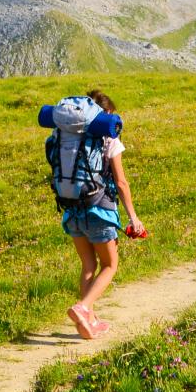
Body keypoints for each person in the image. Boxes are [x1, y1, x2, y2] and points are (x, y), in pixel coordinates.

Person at [61, 90, 146, 340]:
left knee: (88, 265)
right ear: (105, 114)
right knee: (110, 265)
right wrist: (133, 217)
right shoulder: (108, 140)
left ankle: (87, 323)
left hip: (72, 211)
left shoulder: (68, 139)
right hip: (99, 210)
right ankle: (83, 308)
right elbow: (121, 183)